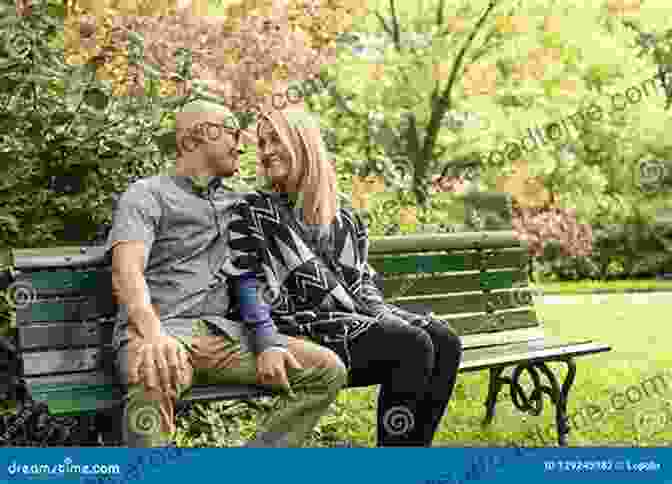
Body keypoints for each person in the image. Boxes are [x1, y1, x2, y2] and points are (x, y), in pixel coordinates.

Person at [106, 99, 347, 448]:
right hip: (158, 331)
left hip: (223, 336)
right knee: (152, 374)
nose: (241, 143)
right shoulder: (147, 196)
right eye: (230, 132)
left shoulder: (241, 205)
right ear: (191, 141)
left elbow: (301, 203)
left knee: (326, 369)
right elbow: (126, 273)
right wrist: (154, 334)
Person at [225, 108, 463, 446]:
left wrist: (382, 314)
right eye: (261, 143)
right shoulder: (254, 209)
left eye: (275, 139)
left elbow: (362, 280)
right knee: (411, 344)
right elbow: (246, 282)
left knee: (445, 339)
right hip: (297, 327)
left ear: (303, 143)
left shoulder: (343, 215)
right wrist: (265, 342)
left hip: (350, 319)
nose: (265, 151)